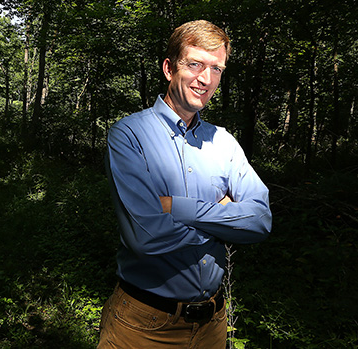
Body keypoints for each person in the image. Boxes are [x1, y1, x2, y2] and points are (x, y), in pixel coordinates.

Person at [98, 19, 272, 348]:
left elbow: (260, 222)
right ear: (168, 68)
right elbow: (146, 237)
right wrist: (225, 217)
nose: (206, 79)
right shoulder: (129, 135)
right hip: (142, 326)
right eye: (194, 64)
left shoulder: (224, 142)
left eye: (216, 69)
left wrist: (177, 207)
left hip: (213, 326)